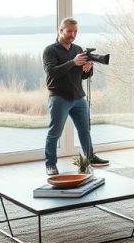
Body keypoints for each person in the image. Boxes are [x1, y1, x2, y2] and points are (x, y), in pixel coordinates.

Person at [43, 17, 109, 175]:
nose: (73, 34)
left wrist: (87, 69)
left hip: (78, 97)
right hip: (59, 97)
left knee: (85, 130)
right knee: (55, 133)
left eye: (75, 31)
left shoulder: (78, 49)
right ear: (61, 31)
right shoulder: (50, 50)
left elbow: (82, 76)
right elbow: (52, 72)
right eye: (69, 31)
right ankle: (50, 164)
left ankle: (90, 157)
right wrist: (73, 62)